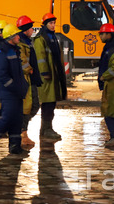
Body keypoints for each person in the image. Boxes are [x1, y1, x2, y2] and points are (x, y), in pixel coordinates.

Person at [0, 23, 29, 157]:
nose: (18, 37)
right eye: (16, 35)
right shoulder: (2, 52)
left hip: (17, 91)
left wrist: (22, 86)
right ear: (10, 37)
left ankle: (15, 146)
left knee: (17, 119)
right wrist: (14, 86)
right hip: (9, 92)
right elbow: (2, 73)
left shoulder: (14, 49)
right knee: (8, 117)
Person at [33, 13, 68, 142]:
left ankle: (46, 128)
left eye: (54, 23)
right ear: (45, 24)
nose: (53, 25)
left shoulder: (51, 37)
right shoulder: (41, 38)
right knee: (48, 103)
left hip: (53, 75)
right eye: (50, 23)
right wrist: (44, 73)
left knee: (51, 102)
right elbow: (40, 58)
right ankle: (46, 129)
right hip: (47, 76)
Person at [16, 15, 42, 149]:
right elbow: (22, 60)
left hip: (31, 80)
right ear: (26, 29)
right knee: (27, 107)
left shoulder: (27, 41)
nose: (33, 30)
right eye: (31, 28)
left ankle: (20, 129)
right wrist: (30, 70)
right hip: (26, 80)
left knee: (34, 105)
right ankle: (22, 135)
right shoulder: (21, 43)